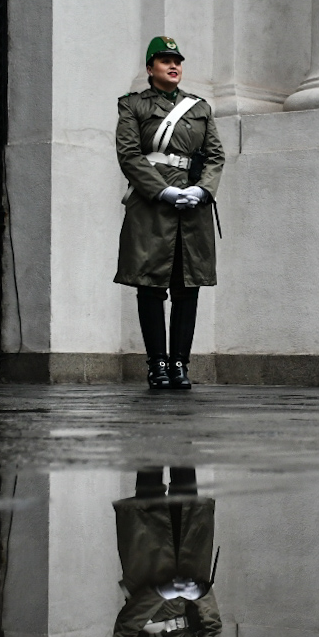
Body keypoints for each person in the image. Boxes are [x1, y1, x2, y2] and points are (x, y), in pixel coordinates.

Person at [115, 37, 225, 391]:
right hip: (151, 206)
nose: (173, 65)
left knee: (186, 286)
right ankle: (157, 364)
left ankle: (179, 364)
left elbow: (215, 156)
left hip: (192, 208)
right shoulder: (133, 105)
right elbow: (129, 154)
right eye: (164, 61)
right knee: (149, 286)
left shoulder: (200, 108)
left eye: (176, 61)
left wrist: (202, 189)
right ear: (150, 69)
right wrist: (161, 190)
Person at [111, 466, 222, 637]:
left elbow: (125, 628)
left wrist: (160, 593)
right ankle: (181, 427)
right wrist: (202, 594)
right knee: (187, 493)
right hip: (189, 571)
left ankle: (150, 427)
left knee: (149, 493)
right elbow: (212, 626)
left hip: (149, 570)